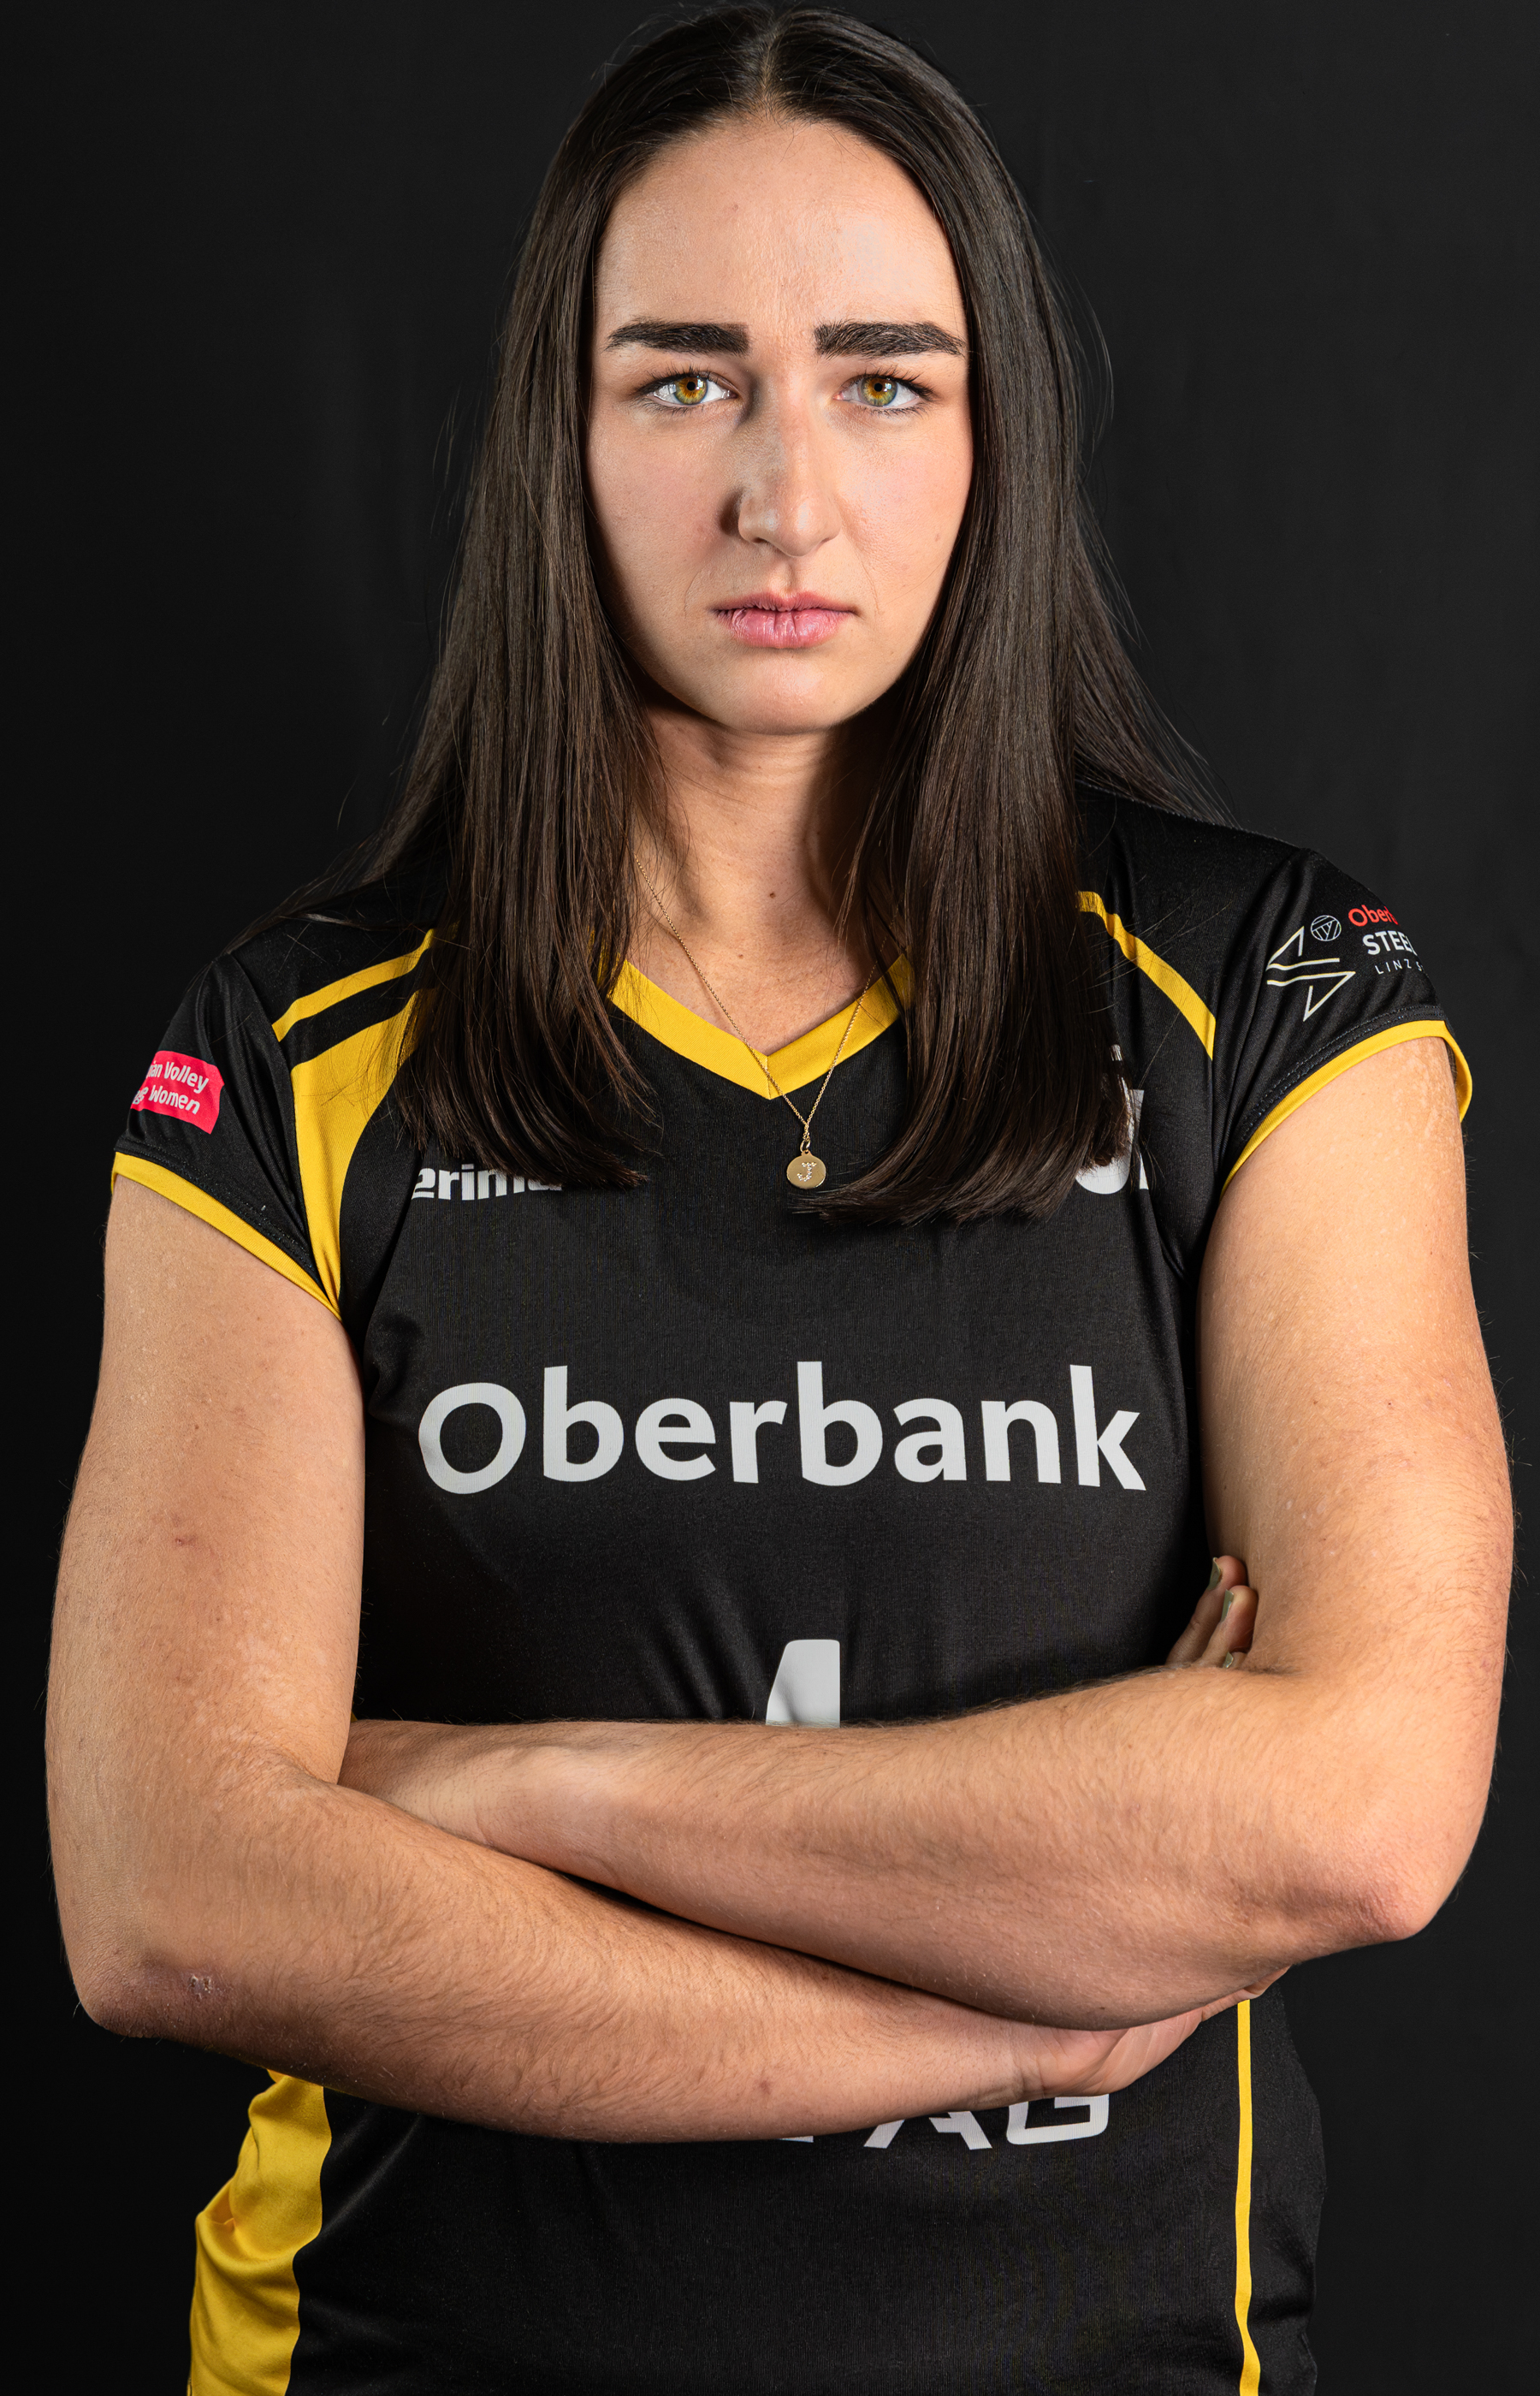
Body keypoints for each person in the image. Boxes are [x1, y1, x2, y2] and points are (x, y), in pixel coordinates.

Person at [48, 8, 1510, 2392]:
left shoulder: (1270, 993)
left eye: (883, 380)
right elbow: (171, 1897)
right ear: (559, 435)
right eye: (686, 381)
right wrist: (1007, 2013)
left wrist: (517, 1782)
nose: (787, 498)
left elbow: (1354, 1815)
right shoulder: (292, 1045)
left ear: (996, 437)